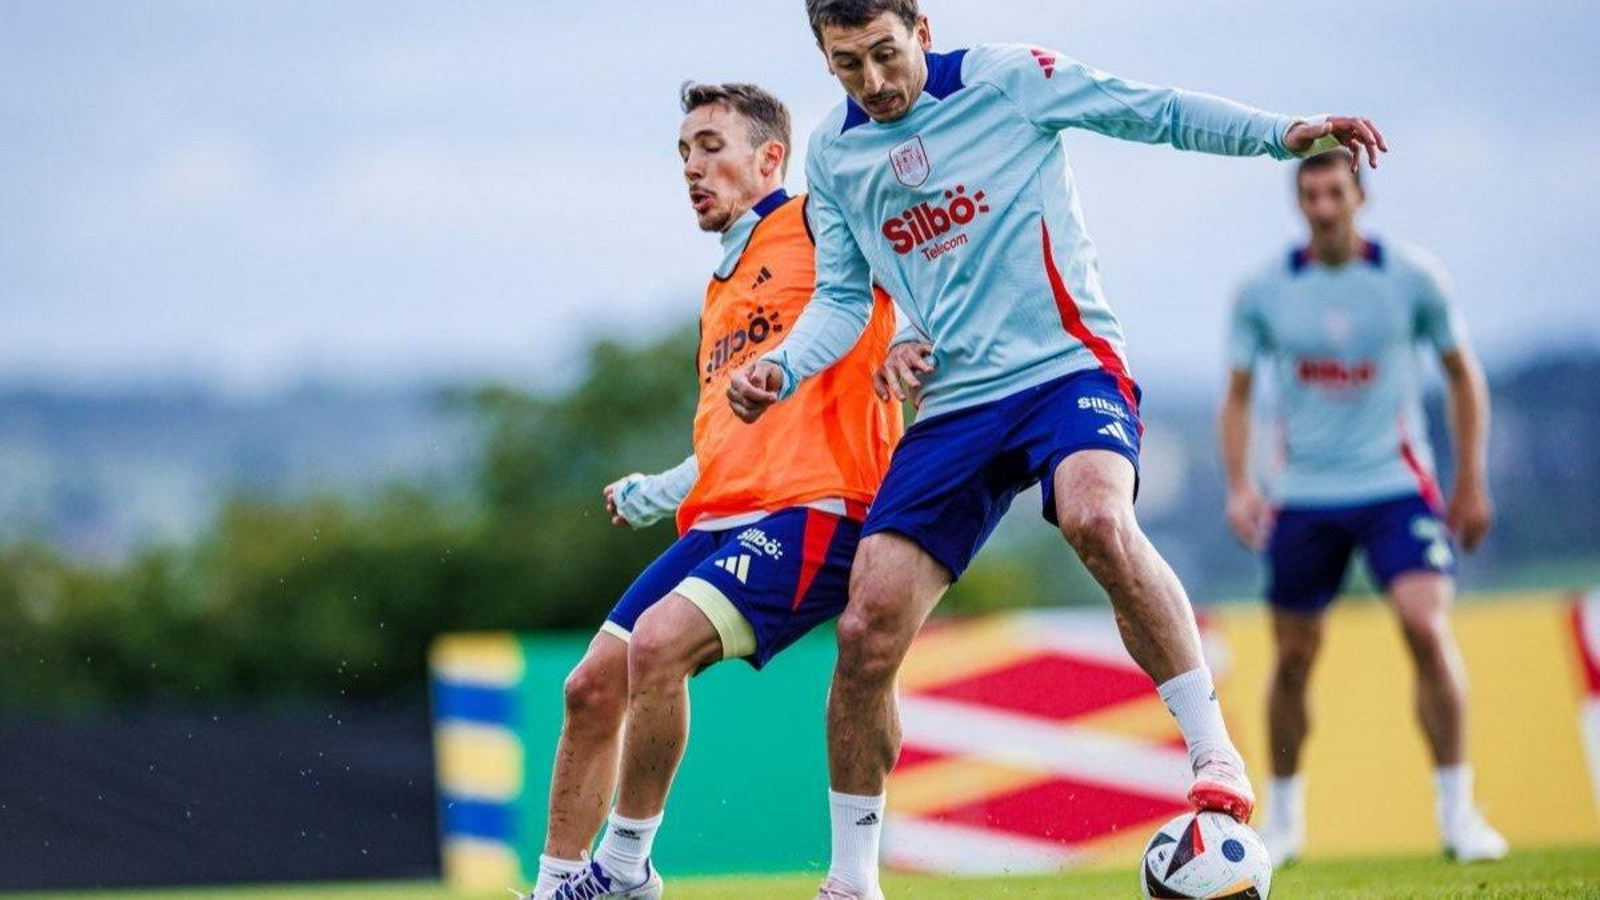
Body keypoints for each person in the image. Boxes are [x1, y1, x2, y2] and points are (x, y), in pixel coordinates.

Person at [724, 2, 1387, 895]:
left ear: (922, 30)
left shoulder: (1009, 80)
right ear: (823, 55)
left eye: (885, 53)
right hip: (955, 404)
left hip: (1065, 367)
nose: (873, 82)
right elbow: (843, 298)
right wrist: (783, 367)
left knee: (1094, 517)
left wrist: (1281, 135)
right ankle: (852, 881)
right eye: (848, 64)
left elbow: (1148, 109)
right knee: (865, 629)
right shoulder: (835, 154)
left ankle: (1213, 753)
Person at [523, 82, 903, 900]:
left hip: (817, 508)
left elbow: (917, 266)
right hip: (722, 519)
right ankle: (557, 887)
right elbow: (731, 439)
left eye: (710, 147)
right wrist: (662, 490)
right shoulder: (721, 289)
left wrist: (921, 342)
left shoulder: (821, 222)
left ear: (771, 158)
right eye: (683, 152)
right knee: (590, 686)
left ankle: (625, 869)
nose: (691, 168)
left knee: (659, 644)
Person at [1219, 149, 1506, 865]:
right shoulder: (1263, 291)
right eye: (1310, 194)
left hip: (1395, 485)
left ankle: (1459, 815)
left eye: (1335, 193)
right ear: (1298, 202)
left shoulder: (1412, 279)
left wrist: (1471, 480)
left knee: (1425, 626)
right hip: (1303, 493)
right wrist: (1240, 485)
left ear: (1360, 197)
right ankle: (1284, 821)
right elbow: (1239, 395)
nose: (1323, 208)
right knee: (1292, 657)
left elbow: (1462, 376)